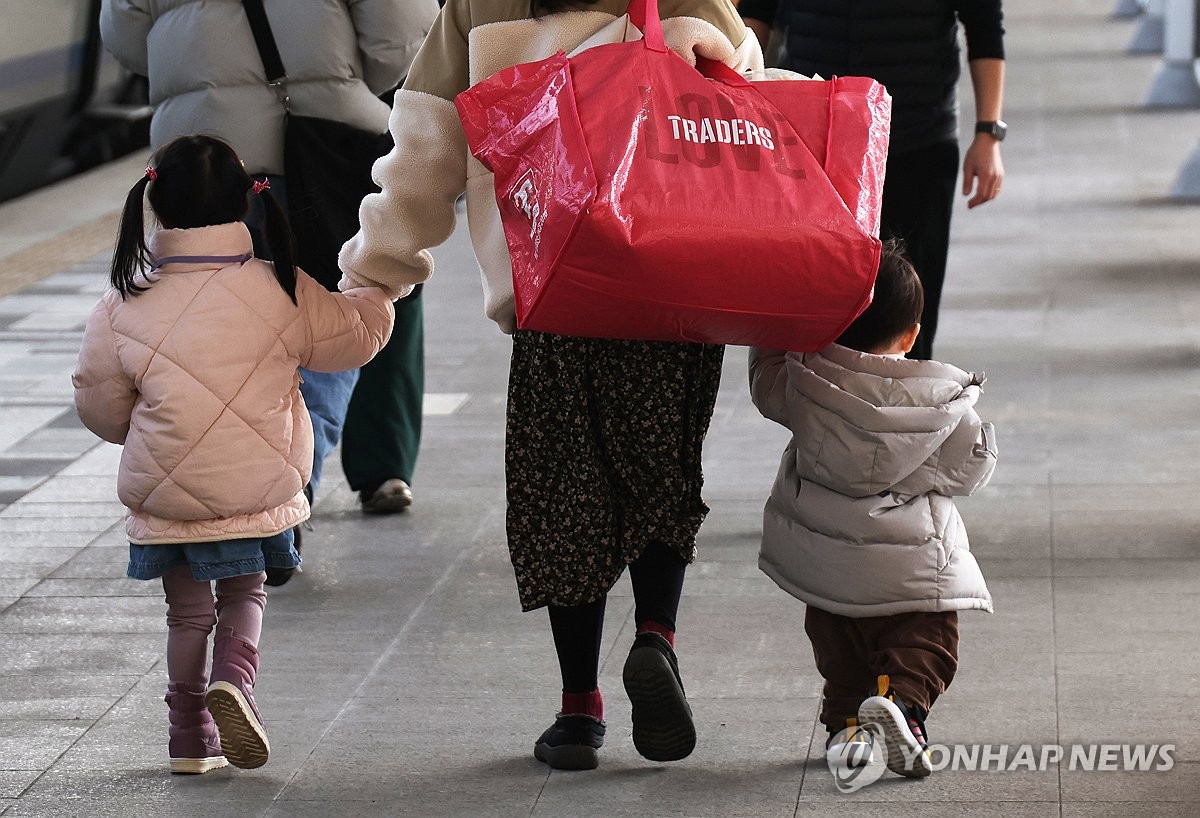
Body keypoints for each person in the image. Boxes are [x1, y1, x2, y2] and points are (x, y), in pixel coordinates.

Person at [337, 0, 762, 770]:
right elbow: (746, 93)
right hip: (669, 280)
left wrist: (375, 273)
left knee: (566, 492)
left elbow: (424, 155)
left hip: (553, 286)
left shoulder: (475, 6)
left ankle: (578, 710)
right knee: (663, 469)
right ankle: (656, 637)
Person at [71, 135, 394, 774]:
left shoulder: (123, 300)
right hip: (257, 485)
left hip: (166, 490)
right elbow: (356, 337)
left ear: (154, 203)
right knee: (245, 593)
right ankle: (235, 682)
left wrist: (139, 432)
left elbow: (99, 405)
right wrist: (373, 281)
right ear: (246, 205)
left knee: (185, 614)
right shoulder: (281, 288)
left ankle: (188, 736)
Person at [98, 0, 439, 579]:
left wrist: (198, 75)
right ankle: (286, 495)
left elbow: (127, 37)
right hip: (315, 148)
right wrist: (333, 78)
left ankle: (235, 495)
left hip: (196, 159)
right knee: (322, 322)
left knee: (212, 335)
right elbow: (404, 34)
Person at [747, 241, 997, 778]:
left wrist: (783, 324)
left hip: (826, 565)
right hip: (909, 567)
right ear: (911, 335)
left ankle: (848, 729)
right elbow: (970, 471)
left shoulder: (802, 382)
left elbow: (763, 378)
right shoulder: (941, 401)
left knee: (842, 662)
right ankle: (902, 705)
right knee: (925, 643)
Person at [739, 0, 1006, 360]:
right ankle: (819, 412)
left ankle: (906, 411)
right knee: (816, 318)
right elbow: (756, 17)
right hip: (814, 138)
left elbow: (984, 26)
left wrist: (988, 133)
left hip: (915, 139)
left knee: (905, 311)